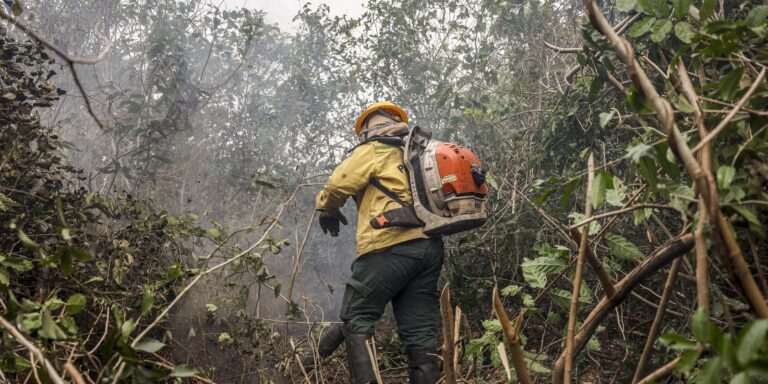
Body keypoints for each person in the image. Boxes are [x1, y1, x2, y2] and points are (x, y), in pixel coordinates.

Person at [315, 102, 443, 384]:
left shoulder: (375, 148)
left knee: (357, 315)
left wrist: (327, 208)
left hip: (388, 244)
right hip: (428, 248)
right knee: (420, 330)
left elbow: (338, 184)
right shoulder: (418, 153)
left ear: (367, 131)